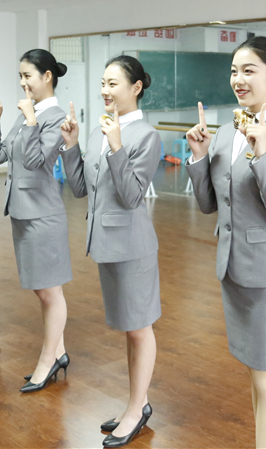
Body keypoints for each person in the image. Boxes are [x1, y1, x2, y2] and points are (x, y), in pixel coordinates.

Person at [185, 36, 266, 449]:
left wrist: (261, 155)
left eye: (249, 71)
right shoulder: (225, 133)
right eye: (234, 71)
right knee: (255, 374)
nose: (238, 79)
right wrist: (199, 157)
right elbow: (209, 205)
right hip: (233, 269)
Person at [60, 55, 161, 448]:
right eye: (103, 83)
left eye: (113, 83)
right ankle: (137, 402)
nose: (104, 90)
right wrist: (71, 146)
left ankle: (137, 410)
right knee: (130, 328)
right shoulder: (100, 130)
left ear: (135, 88)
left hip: (133, 247)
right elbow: (80, 189)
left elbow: (132, 196)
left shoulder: (146, 136)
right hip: (106, 243)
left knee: (139, 328)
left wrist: (117, 146)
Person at [0, 50, 72, 392]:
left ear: (47, 77)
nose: (22, 83)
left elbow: (37, 161)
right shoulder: (27, 114)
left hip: (43, 214)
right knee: (42, 289)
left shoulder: (55, 117)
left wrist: (32, 121)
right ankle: (59, 353)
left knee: (49, 291)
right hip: (22, 211)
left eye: (28, 76)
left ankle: (48, 361)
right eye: (20, 77)